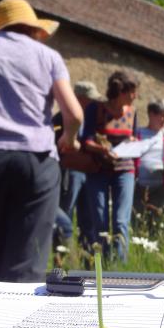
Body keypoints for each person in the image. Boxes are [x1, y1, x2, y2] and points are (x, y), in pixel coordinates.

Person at [0, 0, 82, 282]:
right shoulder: (47, 56)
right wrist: (69, 138)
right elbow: (73, 113)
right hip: (35, 159)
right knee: (27, 265)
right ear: (34, 28)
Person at [82, 70, 139, 262]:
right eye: (132, 92)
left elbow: (135, 138)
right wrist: (102, 150)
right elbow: (86, 140)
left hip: (125, 171)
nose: (135, 96)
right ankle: (102, 264)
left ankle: (120, 269)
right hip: (98, 170)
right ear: (121, 92)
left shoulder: (133, 112)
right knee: (101, 221)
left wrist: (133, 142)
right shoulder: (95, 109)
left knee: (121, 220)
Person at [52, 81, 102, 252]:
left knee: (87, 218)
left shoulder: (92, 121)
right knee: (66, 213)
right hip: (68, 174)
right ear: (80, 99)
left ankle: (87, 257)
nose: (94, 103)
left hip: (87, 173)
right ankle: (61, 255)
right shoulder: (60, 119)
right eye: (91, 100)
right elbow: (57, 146)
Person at [132, 98, 164, 237]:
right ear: (151, 114)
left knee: (160, 223)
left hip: (162, 188)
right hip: (139, 186)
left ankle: (159, 249)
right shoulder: (138, 133)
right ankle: (139, 249)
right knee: (138, 221)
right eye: (162, 115)